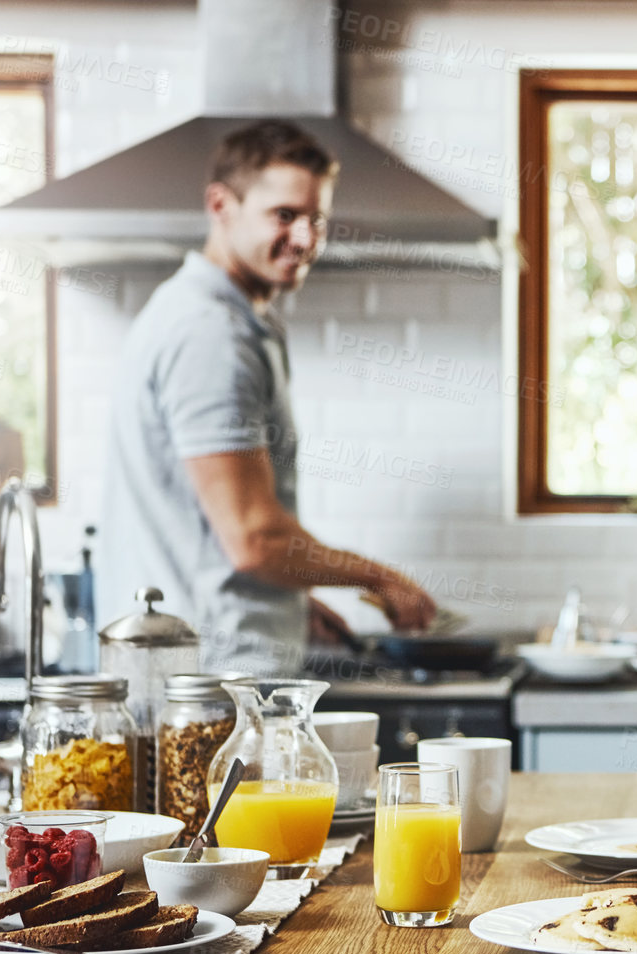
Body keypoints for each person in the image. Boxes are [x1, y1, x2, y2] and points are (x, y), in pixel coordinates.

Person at [99, 119, 434, 672]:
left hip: (210, 670)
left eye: (316, 219)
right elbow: (254, 539)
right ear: (220, 206)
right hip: (214, 688)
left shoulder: (225, 321)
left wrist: (290, 601)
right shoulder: (209, 335)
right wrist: (378, 577)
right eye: (284, 215)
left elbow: (214, 533)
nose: (305, 239)